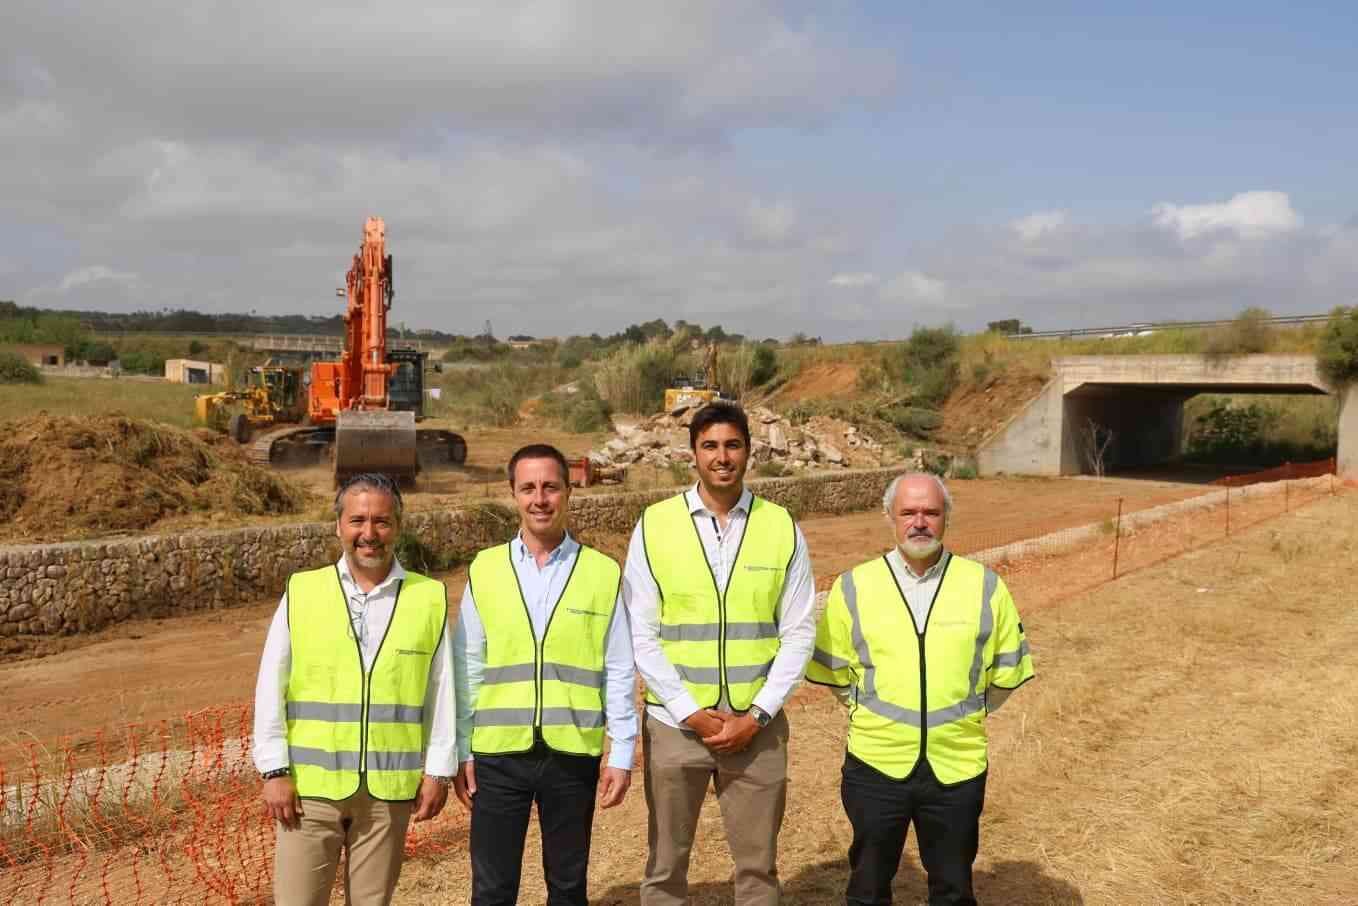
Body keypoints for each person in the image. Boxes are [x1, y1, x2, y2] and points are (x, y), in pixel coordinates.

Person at [806, 473, 1035, 906]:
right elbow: (834, 673)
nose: (920, 522)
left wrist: (964, 713)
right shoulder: (854, 586)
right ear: (889, 517)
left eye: (931, 512)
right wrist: (871, 713)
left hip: (956, 766)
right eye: (908, 512)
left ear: (947, 517)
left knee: (953, 889)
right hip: (875, 765)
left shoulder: (985, 586)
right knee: (867, 888)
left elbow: (1006, 672)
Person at [624, 402, 817, 906]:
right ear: (692, 453)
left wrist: (757, 715)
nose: (722, 457)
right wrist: (690, 712)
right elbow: (641, 632)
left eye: (733, 445)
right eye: (709, 445)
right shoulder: (654, 525)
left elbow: (799, 631)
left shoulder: (781, 526)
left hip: (757, 729)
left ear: (749, 451)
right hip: (676, 727)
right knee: (665, 867)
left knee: (758, 870)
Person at [252, 472, 455, 906]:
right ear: (338, 525)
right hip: (309, 791)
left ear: (398, 526)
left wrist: (438, 771)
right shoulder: (302, 591)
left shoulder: (428, 598)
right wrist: (274, 769)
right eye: (357, 520)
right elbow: (271, 682)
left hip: (388, 791)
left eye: (381, 521)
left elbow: (441, 693)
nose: (369, 533)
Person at [452, 443, 637, 906]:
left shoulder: (601, 573)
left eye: (550, 487)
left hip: (571, 753)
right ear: (513, 494)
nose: (540, 499)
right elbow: (468, 665)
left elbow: (618, 667)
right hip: (498, 754)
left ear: (569, 491)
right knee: (492, 890)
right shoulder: (485, 569)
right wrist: (462, 748)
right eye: (528, 488)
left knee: (568, 888)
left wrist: (622, 752)